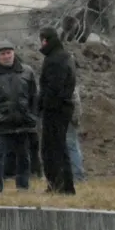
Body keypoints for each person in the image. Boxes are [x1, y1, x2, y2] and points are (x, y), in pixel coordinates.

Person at [0, 40, 38, 193]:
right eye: (2, 54)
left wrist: (32, 115)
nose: (6, 56)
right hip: (0, 123)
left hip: (23, 122)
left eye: (9, 53)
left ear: (14, 53)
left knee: (24, 156)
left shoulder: (27, 71)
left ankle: (23, 186)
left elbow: (34, 96)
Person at [36, 27, 76, 194]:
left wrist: (42, 106)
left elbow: (53, 88)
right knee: (60, 147)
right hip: (64, 108)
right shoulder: (64, 56)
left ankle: (57, 185)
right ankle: (64, 186)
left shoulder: (54, 59)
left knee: (51, 149)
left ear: (46, 40)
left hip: (55, 110)